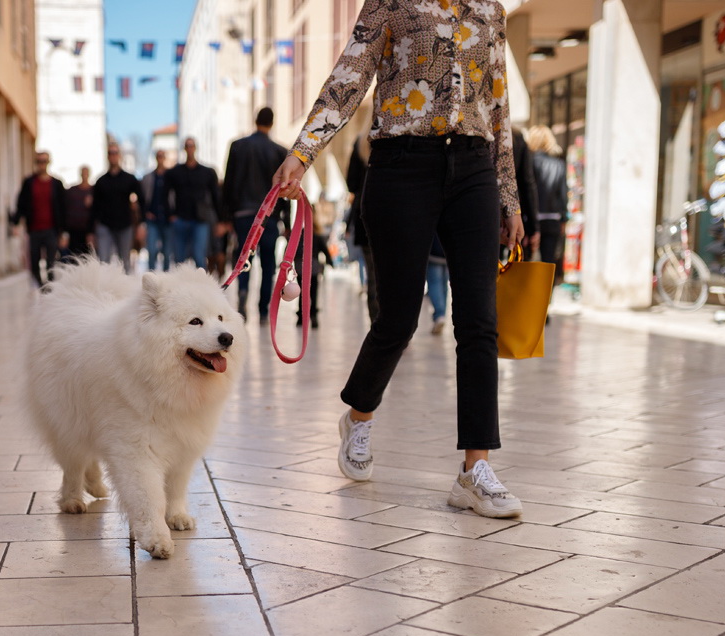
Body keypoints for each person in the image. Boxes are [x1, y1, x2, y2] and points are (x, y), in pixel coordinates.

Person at [274, 0, 526, 519]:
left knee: (479, 320)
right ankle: (359, 415)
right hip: (401, 164)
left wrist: (510, 197)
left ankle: (473, 469)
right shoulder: (393, 2)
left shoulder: (489, 11)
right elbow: (350, 75)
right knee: (398, 316)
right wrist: (303, 151)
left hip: (475, 165)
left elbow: (498, 107)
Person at [223, 107, 289, 321]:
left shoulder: (237, 146)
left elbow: (229, 183)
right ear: (272, 123)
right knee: (268, 262)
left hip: (243, 214)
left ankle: (243, 294)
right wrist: (286, 220)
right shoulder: (279, 151)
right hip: (269, 216)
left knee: (243, 259)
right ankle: (263, 308)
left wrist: (227, 216)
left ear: (255, 120)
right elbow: (284, 188)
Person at [12, 151, 68, 286]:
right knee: (34, 263)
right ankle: (42, 287)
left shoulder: (56, 184)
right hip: (34, 230)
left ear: (48, 163)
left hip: (51, 230)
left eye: (44, 161)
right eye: (39, 161)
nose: (41, 164)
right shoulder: (29, 182)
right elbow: (21, 204)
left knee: (51, 264)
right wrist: (15, 223)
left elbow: (63, 208)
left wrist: (64, 233)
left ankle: (49, 288)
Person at [167, 137, 221, 269]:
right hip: (180, 219)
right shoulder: (175, 172)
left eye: (192, 146)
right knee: (179, 258)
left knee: (199, 256)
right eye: (187, 146)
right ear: (185, 149)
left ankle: (200, 287)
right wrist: (171, 214)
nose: (190, 149)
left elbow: (216, 197)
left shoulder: (207, 172)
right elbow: (165, 194)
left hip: (200, 220)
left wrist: (220, 221)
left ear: (195, 148)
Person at [91, 144, 142, 272]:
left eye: (115, 153)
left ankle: (125, 290)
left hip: (125, 225)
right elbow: (95, 207)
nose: (113, 156)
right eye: (110, 153)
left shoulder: (129, 179)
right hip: (105, 226)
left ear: (119, 156)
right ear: (108, 156)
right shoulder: (101, 181)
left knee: (125, 261)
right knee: (103, 262)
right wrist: (91, 231)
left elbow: (142, 200)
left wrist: (141, 224)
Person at [346, 132, 379, 324]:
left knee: (374, 277)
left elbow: (351, 183)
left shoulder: (361, 141)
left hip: (365, 213)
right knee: (398, 274)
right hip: (397, 213)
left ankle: (378, 327)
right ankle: (398, 327)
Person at [526, 125, 568, 278]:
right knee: (548, 265)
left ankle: (526, 298)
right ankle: (545, 300)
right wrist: (563, 220)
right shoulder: (559, 165)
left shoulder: (527, 162)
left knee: (524, 263)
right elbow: (563, 196)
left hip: (529, 219)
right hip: (552, 219)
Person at [140, 150, 172, 271]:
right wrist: (145, 213)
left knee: (167, 252)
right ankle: (151, 277)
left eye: (162, 156)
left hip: (167, 219)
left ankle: (166, 277)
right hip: (152, 219)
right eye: (158, 156)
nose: (160, 158)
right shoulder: (148, 177)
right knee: (152, 250)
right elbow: (143, 198)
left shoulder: (170, 176)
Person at [512, 128, 540, 260]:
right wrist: (534, 228)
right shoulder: (516, 137)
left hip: (485, 209)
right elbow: (527, 183)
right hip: (515, 212)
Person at [63, 165, 95, 260]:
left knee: (88, 259)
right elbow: (66, 210)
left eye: (86, 173)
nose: (84, 175)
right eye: (83, 173)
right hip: (74, 231)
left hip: (88, 231)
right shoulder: (72, 191)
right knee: (74, 258)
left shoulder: (93, 191)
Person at [426, 236, 449, 336]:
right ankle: (442, 314)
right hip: (448, 253)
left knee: (435, 284)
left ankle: (440, 314)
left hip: (433, 253)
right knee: (444, 284)